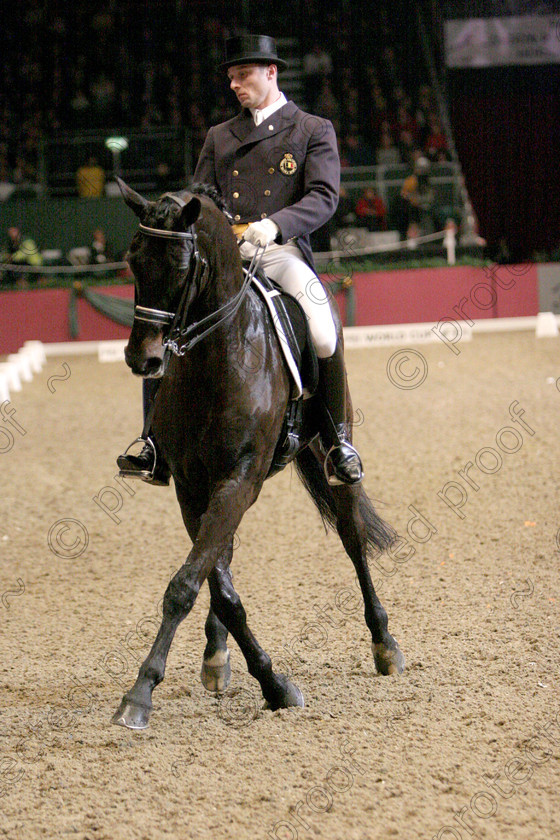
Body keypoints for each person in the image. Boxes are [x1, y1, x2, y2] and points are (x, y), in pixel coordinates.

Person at [118, 34, 363, 487]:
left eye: (243, 74)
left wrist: (275, 225)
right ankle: (153, 444)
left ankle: (338, 441)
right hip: (224, 258)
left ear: (272, 72)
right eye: (231, 76)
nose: (234, 84)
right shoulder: (220, 136)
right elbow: (201, 196)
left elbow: (325, 197)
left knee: (323, 328)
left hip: (280, 251)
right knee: (171, 325)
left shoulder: (312, 129)